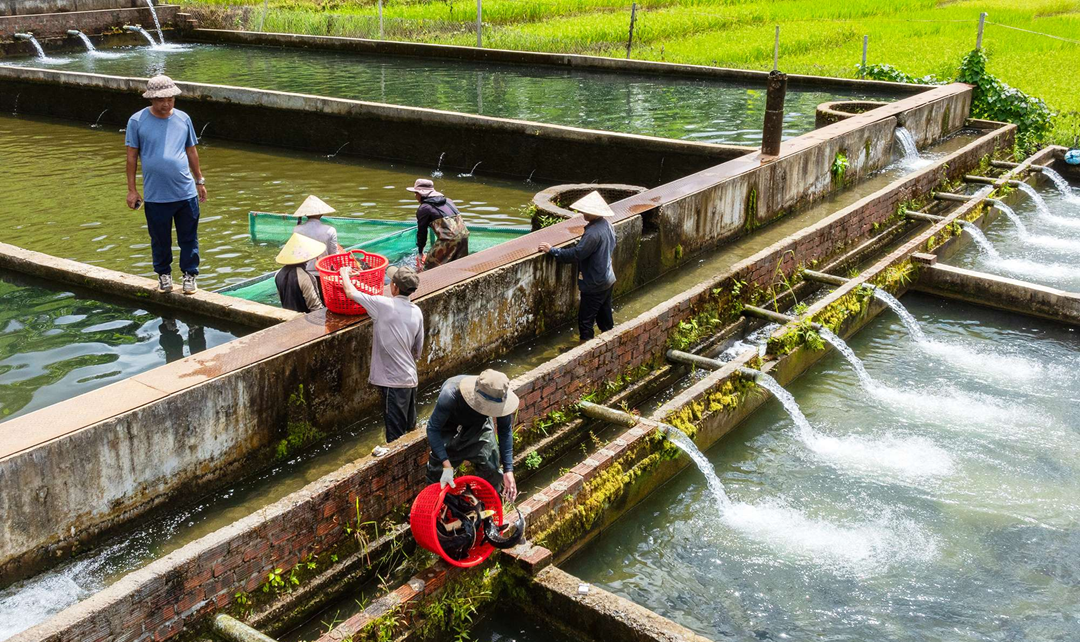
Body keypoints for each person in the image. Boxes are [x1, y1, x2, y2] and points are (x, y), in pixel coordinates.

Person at [125, 75, 207, 295]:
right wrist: (132, 190)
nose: (167, 104)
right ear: (152, 99)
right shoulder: (137, 121)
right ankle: (164, 275)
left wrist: (199, 180)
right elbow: (132, 157)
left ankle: (190, 275)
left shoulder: (183, 119)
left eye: (171, 99)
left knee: (189, 237)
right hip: (155, 196)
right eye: (162, 99)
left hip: (185, 192)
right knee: (160, 239)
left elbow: (191, 150)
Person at [338, 264, 424, 446]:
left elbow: (350, 292)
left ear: (394, 287)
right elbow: (417, 350)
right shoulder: (417, 312)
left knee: (395, 439)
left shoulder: (383, 305)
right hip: (411, 378)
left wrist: (344, 273)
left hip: (394, 383)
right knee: (410, 431)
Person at [426, 369, 518, 502]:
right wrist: (446, 464)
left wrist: (508, 470)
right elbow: (433, 428)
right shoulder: (450, 394)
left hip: (478, 425)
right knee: (438, 472)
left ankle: (489, 506)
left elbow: (505, 430)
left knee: (491, 465)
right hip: (450, 424)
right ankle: (435, 504)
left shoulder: (499, 396)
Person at [538, 191, 617, 341]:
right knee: (605, 319)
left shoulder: (592, 233)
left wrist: (552, 250)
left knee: (585, 321)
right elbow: (612, 243)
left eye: (586, 211)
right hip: (608, 279)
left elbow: (575, 255)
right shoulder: (607, 225)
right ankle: (610, 346)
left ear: (594, 212)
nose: (583, 213)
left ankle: (587, 352)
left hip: (594, 284)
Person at [407, 179, 470, 270]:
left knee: (429, 268)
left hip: (448, 240)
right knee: (458, 266)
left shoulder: (424, 208)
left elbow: (422, 232)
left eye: (416, 193)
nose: (415, 196)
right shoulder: (449, 201)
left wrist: (420, 253)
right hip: (464, 236)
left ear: (421, 194)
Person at [291, 195, 344, 282]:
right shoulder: (330, 230)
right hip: (323, 273)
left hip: (303, 273)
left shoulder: (297, 229)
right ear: (321, 213)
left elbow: (295, 253)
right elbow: (334, 255)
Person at [274, 232, 326, 313]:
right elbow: (315, 307)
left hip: (287, 315)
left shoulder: (278, 274)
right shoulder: (306, 277)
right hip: (303, 320)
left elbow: (282, 298)